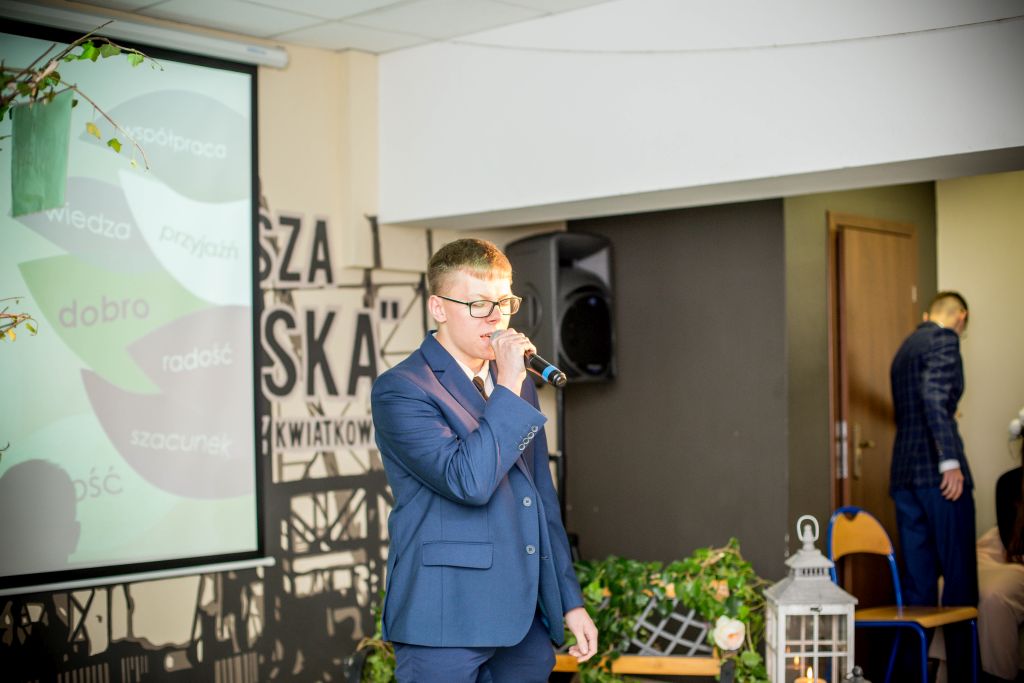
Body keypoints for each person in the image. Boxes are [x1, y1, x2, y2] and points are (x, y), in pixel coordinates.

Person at [370, 238, 598, 682]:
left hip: (521, 620)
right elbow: (468, 481)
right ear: (438, 308)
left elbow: (539, 496)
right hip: (445, 616)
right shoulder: (403, 388)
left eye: (504, 302)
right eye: (478, 305)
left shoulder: (516, 383)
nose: (496, 318)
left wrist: (569, 601)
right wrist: (509, 383)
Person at [889, 290, 977, 680]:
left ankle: (913, 676)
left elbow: (912, 406)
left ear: (927, 315)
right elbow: (933, 395)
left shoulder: (905, 349)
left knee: (918, 587)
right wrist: (949, 460)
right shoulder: (945, 339)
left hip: (904, 476)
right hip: (940, 478)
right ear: (961, 316)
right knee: (959, 582)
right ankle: (964, 676)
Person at [974, 408, 1024, 682]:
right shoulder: (1009, 483)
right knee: (954, 585)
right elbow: (1008, 539)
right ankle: (955, 668)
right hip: (1007, 551)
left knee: (994, 595)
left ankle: (997, 675)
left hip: (1017, 563)